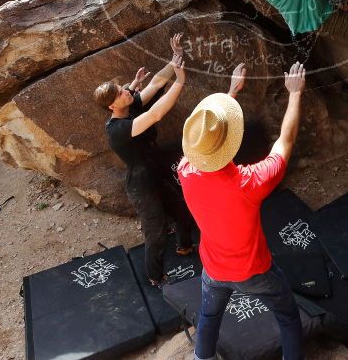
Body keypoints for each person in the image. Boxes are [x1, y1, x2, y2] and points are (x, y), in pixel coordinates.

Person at [177, 61, 307, 360]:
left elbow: (206, 139)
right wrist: (295, 94)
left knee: (209, 317)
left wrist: (232, 92)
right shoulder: (249, 183)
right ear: (231, 143)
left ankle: (202, 358)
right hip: (254, 270)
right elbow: (284, 142)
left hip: (214, 269)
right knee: (287, 316)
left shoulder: (185, 169)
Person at [93, 33, 196, 286]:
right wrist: (180, 82)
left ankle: (184, 247)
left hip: (156, 171)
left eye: (122, 88)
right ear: (111, 107)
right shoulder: (116, 130)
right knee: (156, 232)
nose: (127, 90)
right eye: (120, 92)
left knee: (182, 211)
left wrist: (176, 57)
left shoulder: (129, 105)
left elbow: (156, 83)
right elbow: (156, 114)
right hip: (141, 185)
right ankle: (155, 276)